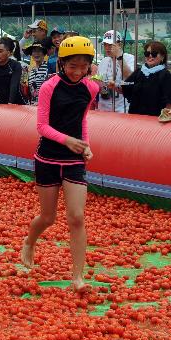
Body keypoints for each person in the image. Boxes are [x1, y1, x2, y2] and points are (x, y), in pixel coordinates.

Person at [21, 36, 99, 292]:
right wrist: (69, 141)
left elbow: (82, 119)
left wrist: (85, 144)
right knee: (48, 217)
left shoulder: (91, 89)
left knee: (76, 217)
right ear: (62, 63)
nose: (78, 71)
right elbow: (41, 126)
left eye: (83, 66)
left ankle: (78, 278)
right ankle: (30, 242)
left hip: (74, 159)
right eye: (72, 66)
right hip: (47, 158)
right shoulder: (49, 87)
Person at [122, 41, 171, 116]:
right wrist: (116, 85)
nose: (150, 56)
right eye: (147, 54)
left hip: (155, 120)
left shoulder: (165, 75)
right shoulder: (139, 72)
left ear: (162, 57)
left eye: (154, 53)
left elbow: (170, 102)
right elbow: (126, 87)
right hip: (135, 118)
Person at [95, 30, 135, 113]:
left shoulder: (129, 58)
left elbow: (130, 78)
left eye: (110, 45)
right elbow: (99, 80)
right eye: (105, 45)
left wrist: (119, 56)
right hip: (103, 108)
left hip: (121, 109)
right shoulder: (103, 61)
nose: (107, 48)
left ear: (119, 44)